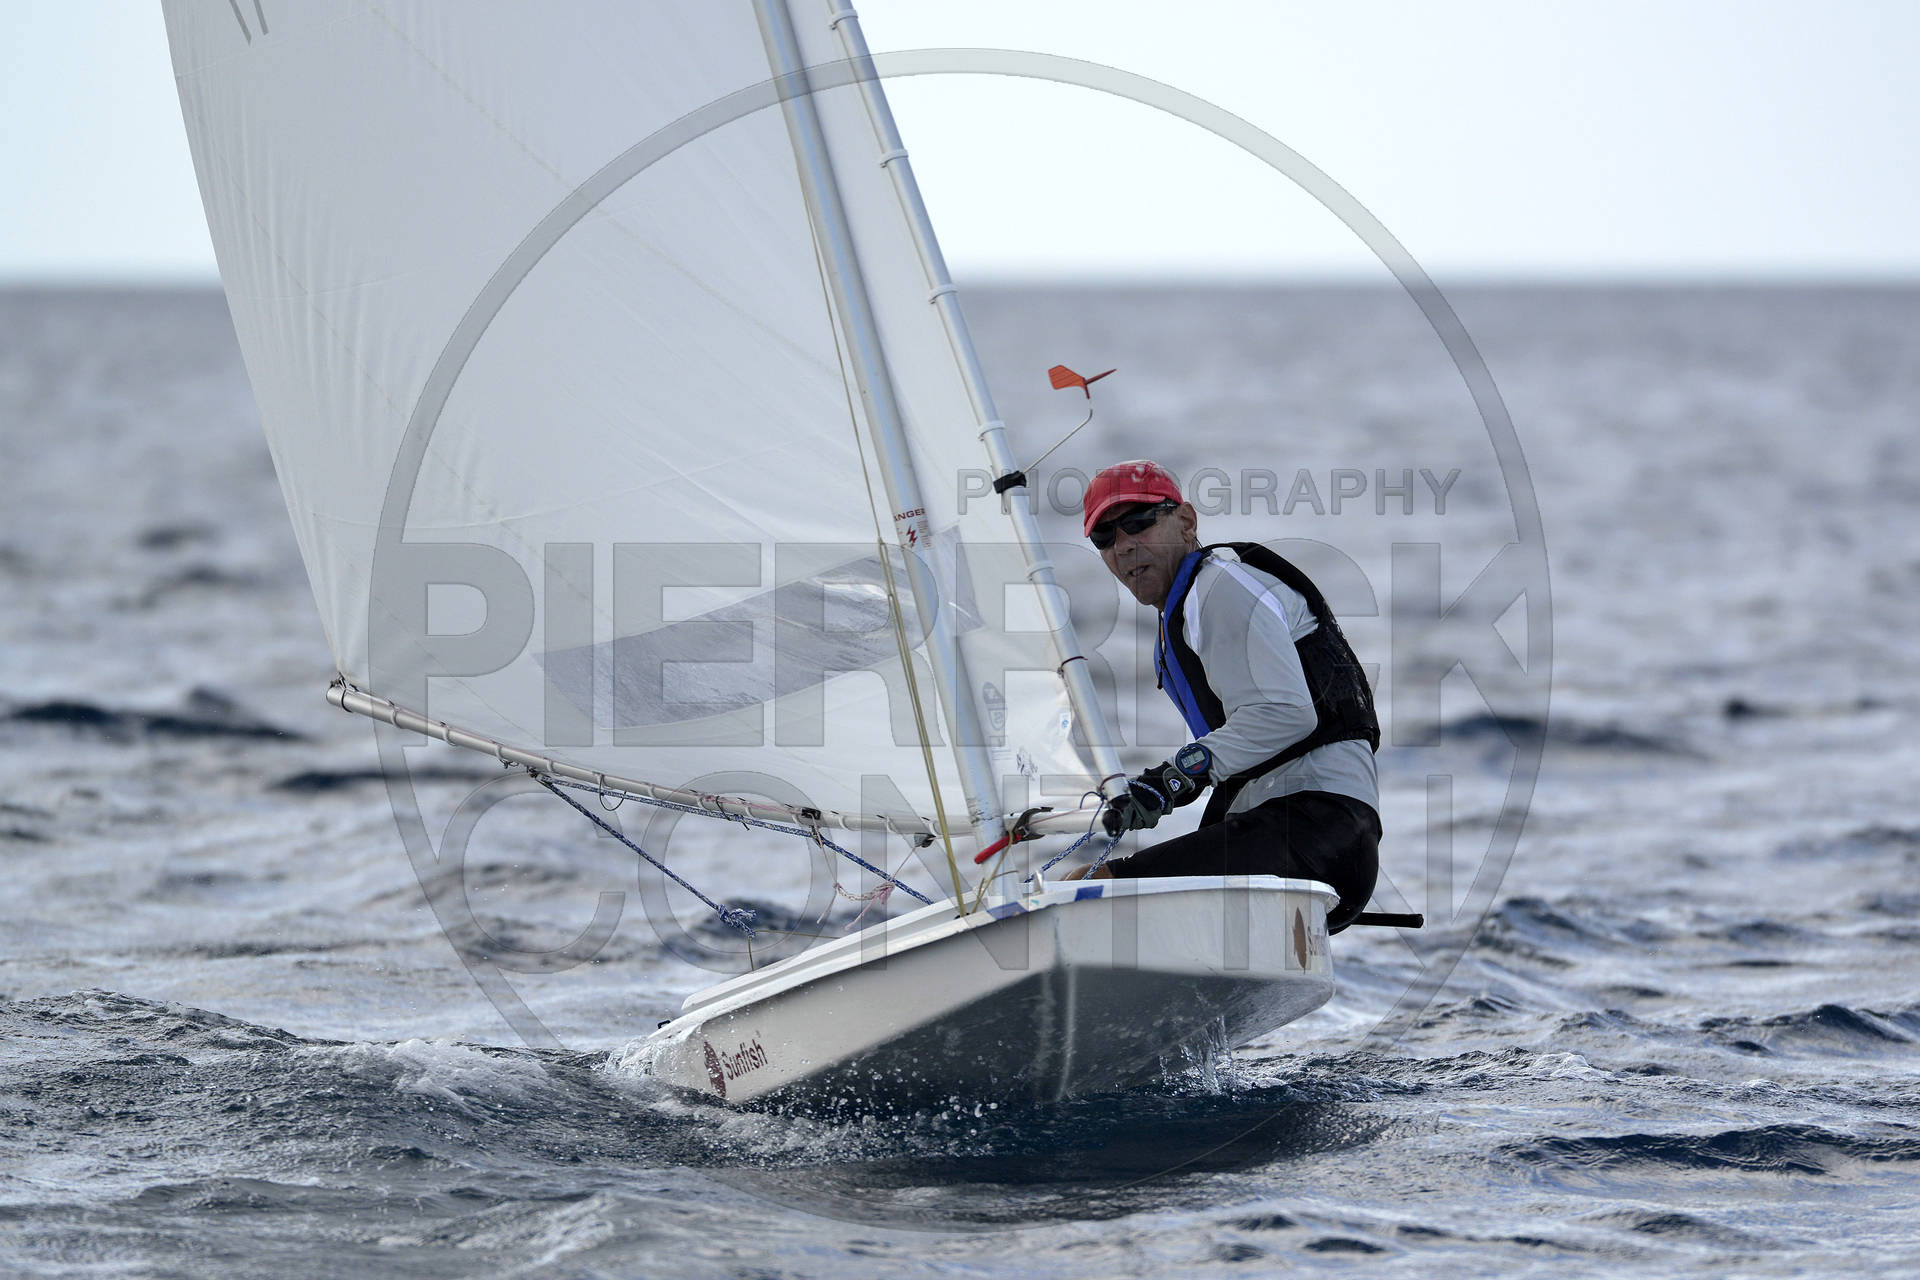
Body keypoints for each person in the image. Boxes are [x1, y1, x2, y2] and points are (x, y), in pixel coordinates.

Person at [1063, 460, 1382, 932]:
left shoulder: (1218, 588)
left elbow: (1286, 715)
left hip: (1313, 829)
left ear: (1186, 521)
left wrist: (1169, 780)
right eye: (1104, 537)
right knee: (1100, 889)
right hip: (1318, 836)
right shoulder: (1189, 608)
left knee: (1088, 892)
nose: (1123, 544)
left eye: (1139, 521)